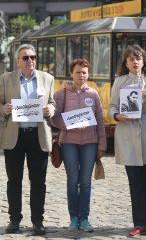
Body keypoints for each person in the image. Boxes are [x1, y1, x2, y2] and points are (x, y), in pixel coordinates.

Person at [0, 43, 55, 235]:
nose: (30, 61)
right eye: (26, 58)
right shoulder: (6, 78)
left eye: (33, 57)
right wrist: (2, 109)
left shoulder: (47, 79)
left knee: (38, 182)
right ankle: (14, 220)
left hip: (38, 136)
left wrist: (51, 110)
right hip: (15, 136)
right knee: (14, 181)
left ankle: (38, 221)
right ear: (17, 61)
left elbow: (52, 102)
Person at [50, 59, 106, 232]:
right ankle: (74, 218)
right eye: (78, 72)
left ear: (88, 74)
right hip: (68, 143)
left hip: (90, 142)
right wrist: (70, 125)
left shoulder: (94, 94)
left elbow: (100, 121)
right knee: (73, 181)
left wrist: (102, 144)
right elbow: (54, 118)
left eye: (84, 72)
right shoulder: (61, 94)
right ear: (71, 74)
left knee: (86, 182)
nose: (81, 75)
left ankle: (85, 218)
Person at [109, 45, 146, 237]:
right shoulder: (120, 82)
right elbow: (111, 107)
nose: (135, 62)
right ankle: (139, 222)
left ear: (143, 61)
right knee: (136, 183)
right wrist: (118, 116)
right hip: (129, 139)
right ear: (126, 63)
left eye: (138, 58)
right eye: (131, 59)